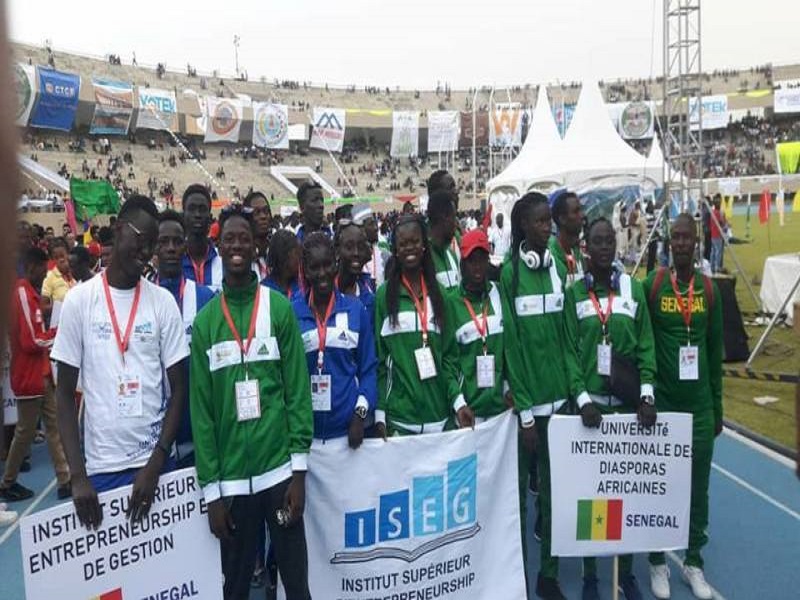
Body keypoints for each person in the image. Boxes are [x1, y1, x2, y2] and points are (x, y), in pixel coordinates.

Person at [190, 205, 312, 600]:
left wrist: (298, 472)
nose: (237, 245)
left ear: (254, 245)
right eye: (229, 239)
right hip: (231, 485)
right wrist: (212, 493)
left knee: (295, 580)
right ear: (219, 246)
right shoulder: (207, 322)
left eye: (244, 237)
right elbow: (202, 412)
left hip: (279, 476)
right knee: (237, 587)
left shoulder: (277, 309)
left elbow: (296, 390)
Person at [52, 196, 189, 528]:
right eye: (140, 240)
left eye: (151, 245)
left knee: (166, 576)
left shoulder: (163, 302)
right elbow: (64, 395)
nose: (145, 252)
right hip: (100, 473)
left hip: (156, 468)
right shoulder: (78, 302)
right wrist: (78, 475)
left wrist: (157, 461)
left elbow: (181, 387)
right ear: (117, 231)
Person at [563, 218, 657, 600]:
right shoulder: (574, 295)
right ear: (586, 247)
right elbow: (570, 352)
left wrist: (647, 395)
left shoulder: (633, 289)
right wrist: (582, 400)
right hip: (592, 416)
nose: (604, 247)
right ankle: (590, 576)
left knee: (626, 499)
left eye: (609, 241)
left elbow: (646, 346)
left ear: (616, 245)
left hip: (628, 413)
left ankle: (627, 573)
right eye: (597, 242)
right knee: (592, 503)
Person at [644, 214, 723, 600]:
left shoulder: (710, 290)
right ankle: (657, 560)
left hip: (701, 408)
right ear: (667, 243)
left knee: (698, 489)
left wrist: (718, 408)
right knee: (661, 484)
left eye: (686, 237)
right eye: (674, 237)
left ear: (697, 242)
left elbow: (714, 352)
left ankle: (693, 560)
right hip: (663, 404)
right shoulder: (654, 284)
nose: (680, 243)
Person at [500, 192, 572, 600]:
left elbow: (567, 338)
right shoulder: (510, 274)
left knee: (552, 495)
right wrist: (525, 411)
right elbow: (512, 349)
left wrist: (571, 394)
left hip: (559, 403)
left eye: (550, 221)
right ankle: (519, 576)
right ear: (524, 226)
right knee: (517, 498)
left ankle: (549, 574)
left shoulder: (559, 265)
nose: (549, 227)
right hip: (525, 412)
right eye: (542, 221)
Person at [0, 247, 70, 502]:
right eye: (42, 272)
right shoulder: (22, 294)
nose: (44, 277)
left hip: (40, 374)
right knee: (26, 432)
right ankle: (8, 482)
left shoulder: (28, 294)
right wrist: (57, 335)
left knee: (52, 427)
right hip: (30, 376)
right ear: (31, 267)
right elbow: (31, 341)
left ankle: (64, 479)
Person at [293, 232, 377, 444]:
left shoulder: (355, 309)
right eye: (315, 267)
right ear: (305, 270)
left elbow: (368, 369)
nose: (322, 273)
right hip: (307, 438)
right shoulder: (292, 313)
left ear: (336, 264)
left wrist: (360, 414)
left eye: (327, 265)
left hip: (348, 435)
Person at [374, 214, 453, 436]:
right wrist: (380, 413)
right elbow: (380, 360)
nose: (410, 248)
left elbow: (449, 357)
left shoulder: (441, 296)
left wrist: (457, 401)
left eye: (415, 242)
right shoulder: (383, 297)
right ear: (395, 249)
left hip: (440, 418)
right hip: (401, 421)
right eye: (403, 244)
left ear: (424, 245)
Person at [155, 209, 215, 467]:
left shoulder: (206, 299)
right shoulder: (142, 298)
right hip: (154, 442)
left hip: (199, 435)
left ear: (185, 246)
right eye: (163, 242)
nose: (170, 248)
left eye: (177, 242)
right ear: (153, 247)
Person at [443, 229, 508, 429]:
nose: (478, 267)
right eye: (472, 260)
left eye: (482, 259)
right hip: (468, 415)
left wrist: (508, 388)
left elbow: (510, 351)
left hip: (502, 414)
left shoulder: (499, 293)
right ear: (462, 263)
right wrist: (459, 403)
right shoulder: (450, 302)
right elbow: (447, 362)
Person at [182, 184, 224, 292]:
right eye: (192, 209)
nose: (197, 214)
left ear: (210, 218)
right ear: (183, 216)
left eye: (202, 209)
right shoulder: (174, 264)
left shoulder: (224, 264)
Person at [335, 220, 375, 325]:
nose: (356, 253)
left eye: (361, 247)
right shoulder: (325, 295)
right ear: (337, 251)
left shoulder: (370, 299)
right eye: (349, 247)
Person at [549, 190, 585, 288]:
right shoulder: (550, 255)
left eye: (581, 210)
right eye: (576, 211)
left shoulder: (579, 253)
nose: (582, 215)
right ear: (562, 219)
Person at [428, 190, 461, 289]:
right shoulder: (424, 258)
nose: (456, 223)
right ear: (444, 218)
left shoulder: (452, 255)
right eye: (454, 217)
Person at [353, 204, 387, 289]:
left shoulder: (386, 256)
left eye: (375, 223)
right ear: (361, 228)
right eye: (371, 224)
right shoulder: (352, 261)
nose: (376, 228)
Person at [41, 237, 76, 318]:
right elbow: (43, 307)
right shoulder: (49, 276)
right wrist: (61, 307)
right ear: (52, 259)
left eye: (62, 256)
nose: (61, 260)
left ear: (68, 255)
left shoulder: (74, 273)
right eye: (56, 258)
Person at [263, 229, 302, 299]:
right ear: (286, 256)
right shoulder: (264, 290)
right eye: (297, 253)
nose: (301, 258)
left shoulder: (302, 287)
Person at [244, 190, 273, 280]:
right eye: (257, 212)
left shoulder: (277, 251)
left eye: (266, 211)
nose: (263, 216)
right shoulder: (242, 255)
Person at [709, 195, 727, 274]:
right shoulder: (717, 213)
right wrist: (724, 221)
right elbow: (721, 223)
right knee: (718, 252)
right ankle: (717, 267)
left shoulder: (712, 212)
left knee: (713, 251)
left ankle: (712, 266)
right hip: (718, 235)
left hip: (713, 234)